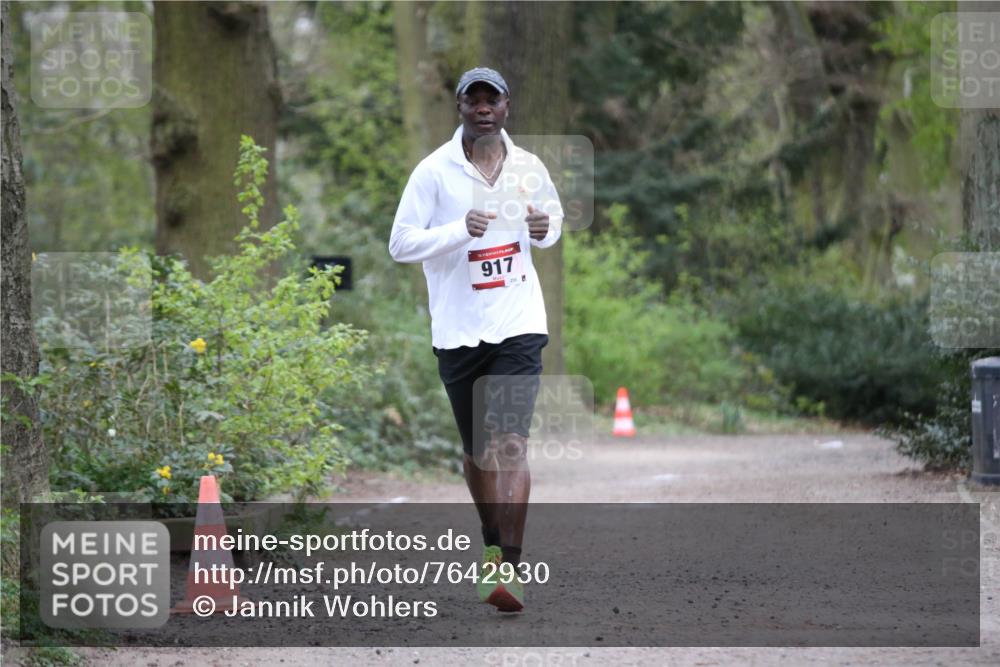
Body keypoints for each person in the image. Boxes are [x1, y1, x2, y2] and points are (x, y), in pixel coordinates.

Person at [388, 67, 563, 612]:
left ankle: (509, 567)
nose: (484, 108)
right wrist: (460, 228)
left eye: (493, 99)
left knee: (509, 443)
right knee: (476, 455)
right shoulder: (432, 173)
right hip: (459, 328)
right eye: (474, 100)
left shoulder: (530, 167)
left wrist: (544, 229)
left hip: (517, 323)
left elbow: (552, 221)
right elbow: (400, 243)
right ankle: (492, 546)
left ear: (507, 106)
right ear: (460, 108)